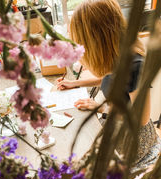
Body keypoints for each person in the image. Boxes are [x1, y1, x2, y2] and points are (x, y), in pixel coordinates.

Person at [57, 0, 161, 170]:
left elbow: (140, 119)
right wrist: (75, 83)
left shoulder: (134, 66)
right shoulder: (114, 57)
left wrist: (101, 108)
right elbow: (109, 77)